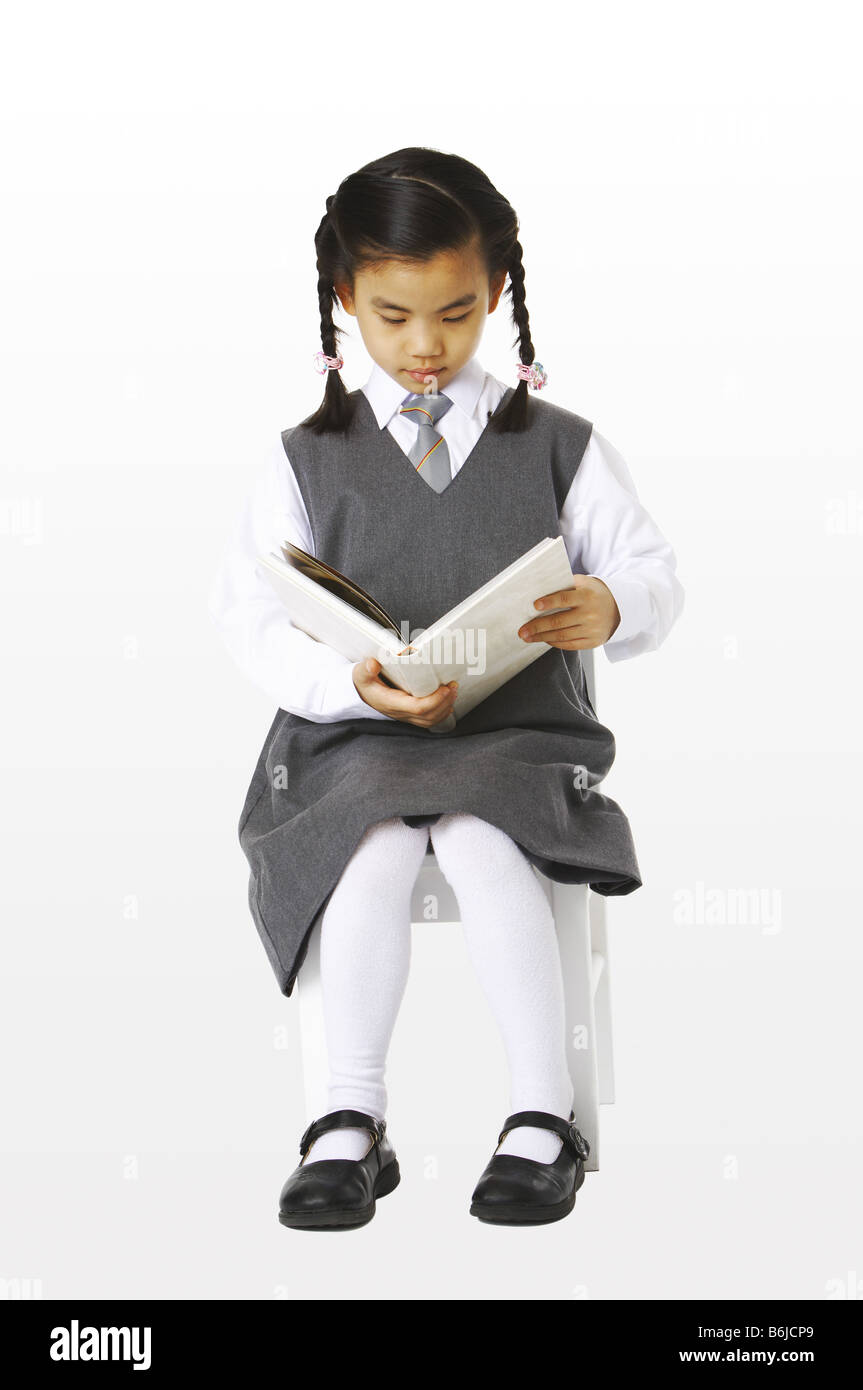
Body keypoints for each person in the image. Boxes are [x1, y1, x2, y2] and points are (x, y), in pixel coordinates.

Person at [208, 146, 685, 1230]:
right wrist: (352, 684)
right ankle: (349, 1119)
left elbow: (654, 572)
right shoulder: (302, 458)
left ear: (499, 294)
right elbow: (251, 616)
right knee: (371, 848)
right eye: (393, 317)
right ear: (344, 303)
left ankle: (538, 1114)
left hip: (514, 739)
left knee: (478, 835)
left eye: (457, 315)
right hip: (353, 746)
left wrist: (614, 605)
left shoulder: (560, 446)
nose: (426, 347)